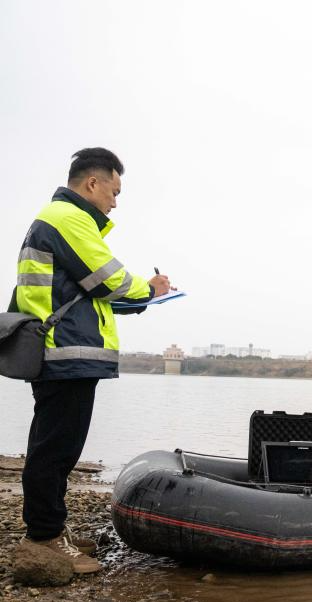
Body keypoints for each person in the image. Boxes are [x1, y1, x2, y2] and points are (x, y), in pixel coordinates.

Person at [15, 148, 170, 573]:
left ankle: (50, 530)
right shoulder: (68, 218)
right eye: (114, 192)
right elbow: (109, 278)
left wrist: (140, 299)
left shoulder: (60, 219)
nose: (115, 202)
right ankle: (44, 538)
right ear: (92, 183)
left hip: (64, 352)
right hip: (64, 352)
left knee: (56, 447)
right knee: (55, 450)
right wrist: (150, 289)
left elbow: (87, 291)